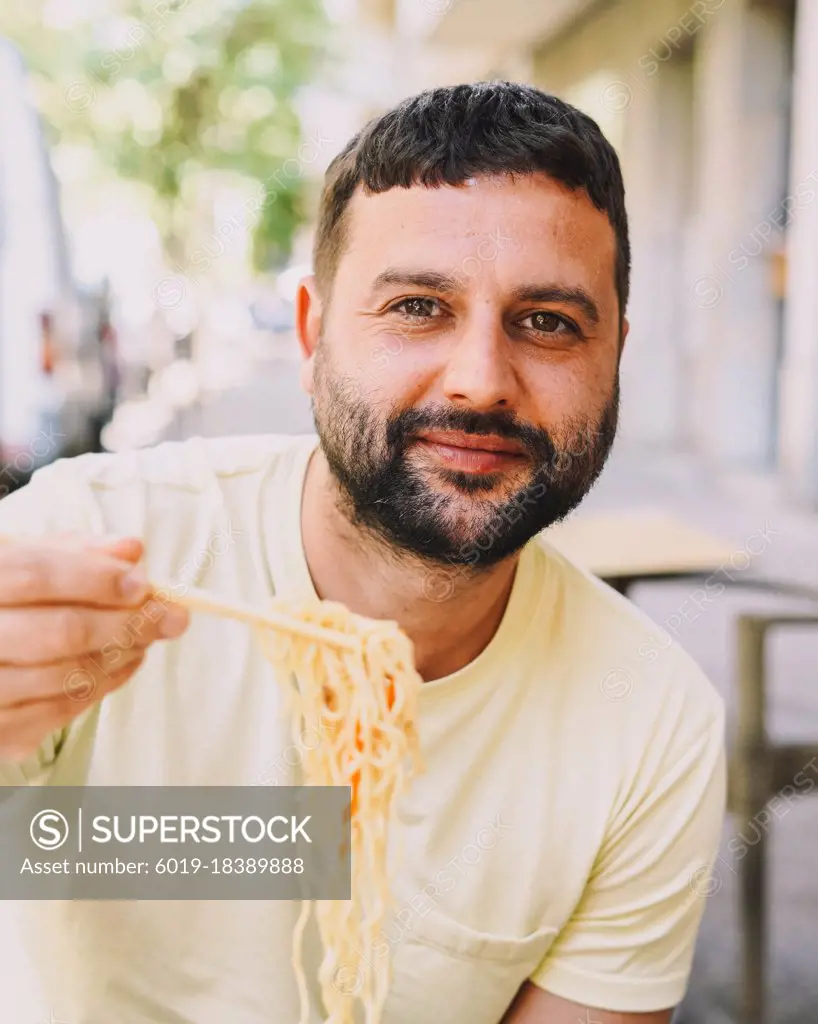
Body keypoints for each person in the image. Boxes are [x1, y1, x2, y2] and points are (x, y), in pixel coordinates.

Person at [0, 82, 725, 1024]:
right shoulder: (86, 549)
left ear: (615, 355)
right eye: (419, 307)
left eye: (548, 321)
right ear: (311, 335)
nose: (479, 381)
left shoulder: (651, 725)